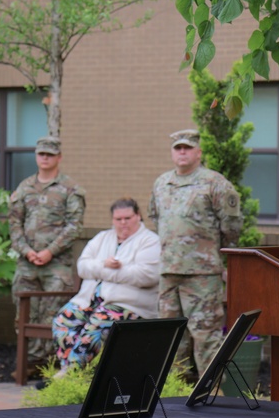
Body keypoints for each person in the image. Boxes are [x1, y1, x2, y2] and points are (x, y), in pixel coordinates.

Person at [149, 129, 242, 377]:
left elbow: (231, 226)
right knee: (169, 335)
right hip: (169, 271)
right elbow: (156, 219)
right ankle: (174, 392)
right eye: (178, 148)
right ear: (172, 152)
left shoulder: (215, 183)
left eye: (187, 148)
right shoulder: (161, 183)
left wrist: (220, 257)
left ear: (198, 152)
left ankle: (211, 392)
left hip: (202, 273)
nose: (182, 152)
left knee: (206, 337)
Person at [52, 198, 160, 375]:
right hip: (89, 301)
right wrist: (105, 265)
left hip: (128, 305)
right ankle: (73, 370)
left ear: (138, 216)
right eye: (118, 219)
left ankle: (70, 375)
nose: (123, 223)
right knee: (63, 320)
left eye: (128, 218)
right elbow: (82, 267)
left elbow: (146, 276)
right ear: (112, 220)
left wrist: (103, 270)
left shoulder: (150, 241)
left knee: (97, 324)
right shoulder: (102, 238)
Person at [9, 136, 85, 371]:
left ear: (58, 158)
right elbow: (14, 223)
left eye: (50, 155)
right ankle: (29, 361)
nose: (45, 158)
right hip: (27, 262)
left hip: (56, 264)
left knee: (53, 312)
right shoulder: (25, 187)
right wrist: (27, 251)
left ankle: (50, 363)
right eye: (41, 154)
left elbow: (75, 226)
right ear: (36, 156)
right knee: (24, 312)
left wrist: (50, 252)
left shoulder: (70, 188)